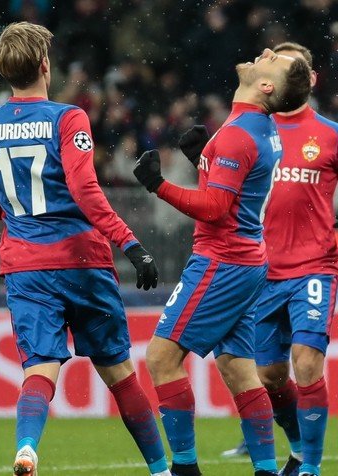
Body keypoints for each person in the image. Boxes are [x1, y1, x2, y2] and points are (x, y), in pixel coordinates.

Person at [0, 22, 169, 476]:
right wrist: (131, 243)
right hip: (82, 262)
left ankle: (26, 448)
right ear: (45, 65)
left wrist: (23, 207)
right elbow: (85, 189)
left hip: (25, 267)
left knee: (39, 369)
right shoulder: (68, 117)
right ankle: (160, 470)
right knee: (119, 374)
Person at [133, 48, 312, 476]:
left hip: (222, 260)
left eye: (274, 60)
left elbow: (215, 209)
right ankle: (266, 470)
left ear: (265, 86)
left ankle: (185, 470)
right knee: (238, 369)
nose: (265, 52)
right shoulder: (257, 128)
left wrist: (157, 184)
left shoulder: (239, 134)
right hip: (247, 261)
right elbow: (241, 189)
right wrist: (205, 161)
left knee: (161, 358)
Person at [212, 42, 335, 476]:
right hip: (261, 272)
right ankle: (299, 449)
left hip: (314, 267)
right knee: (270, 377)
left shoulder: (330, 134)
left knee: (307, 360)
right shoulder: (250, 131)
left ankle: (312, 468)